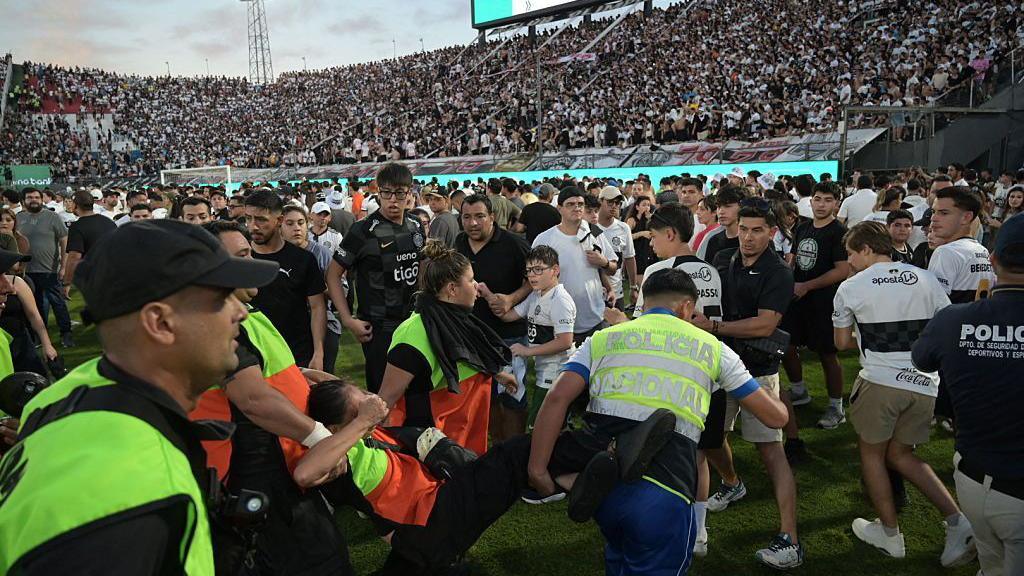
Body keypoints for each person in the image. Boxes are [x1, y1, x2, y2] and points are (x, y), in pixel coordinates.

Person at [0, 219, 277, 575]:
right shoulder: (130, 485)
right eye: (221, 296)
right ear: (160, 323)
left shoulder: (70, 394)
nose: (240, 309)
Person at [529, 268, 789, 575]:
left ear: (642, 300)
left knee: (619, 555)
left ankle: (567, 478)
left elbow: (557, 397)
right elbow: (775, 418)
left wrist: (537, 469)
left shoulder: (602, 338)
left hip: (605, 487)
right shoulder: (714, 348)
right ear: (687, 308)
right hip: (667, 489)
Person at [195, 220, 352, 576]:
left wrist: (306, 377)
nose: (252, 264)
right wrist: (321, 438)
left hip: (276, 458)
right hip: (256, 467)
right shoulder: (214, 323)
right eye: (241, 257)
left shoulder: (244, 314)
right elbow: (252, 398)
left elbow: (269, 376)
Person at [834, 222, 976, 566]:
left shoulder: (851, 286)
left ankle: (889, 533)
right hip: (925, 383)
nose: (850, 261)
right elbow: (945, 327)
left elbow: (840, 344)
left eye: (852, 253)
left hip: (881, 382)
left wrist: (870, 339)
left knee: (872, 455)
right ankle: (958, 522)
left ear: (867, 249)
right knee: (901, 455)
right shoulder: (925, 278)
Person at [691, 201, 804, 569]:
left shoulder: (778, 271)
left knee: (771, 451)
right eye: (745, 229)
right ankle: (732, 482)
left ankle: (791, 539)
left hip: (757, 370)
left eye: (758, 230)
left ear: (771, 232)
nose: (749, 237)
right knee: (709, 440)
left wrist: (716, 329)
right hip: (719, 367)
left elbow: (765, 325)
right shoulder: (723, 257)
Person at [912, 214, 1024, 576]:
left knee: (991, 562)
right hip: (1013, 488)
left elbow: (922, 358)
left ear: (993, 260)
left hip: (972, 480)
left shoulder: (952, 320)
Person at [379, 241, 513, 454]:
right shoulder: (412, 334)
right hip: (434, 449)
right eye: (471, 280)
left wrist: (497, 374)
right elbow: (386, 399)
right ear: (452, 289)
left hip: (462, 440)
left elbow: (467, 356)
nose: (477, 285)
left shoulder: (455, 317)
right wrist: (380, 448)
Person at [329, 163, 425, 393]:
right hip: (379, 329)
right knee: (383, 399)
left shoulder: (416, 225)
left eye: (400, 193)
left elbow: (421, 267)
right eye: (386, 193)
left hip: (412, 322)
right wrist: (348, 319)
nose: (393, 200)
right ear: (378, 192)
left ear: (409, 193)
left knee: (416, 393)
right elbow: (333, 275)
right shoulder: (362, 230)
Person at [454, 194, 531, 441]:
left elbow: (534, 278)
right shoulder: (459, 243)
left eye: (479, 217)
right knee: (484, 399)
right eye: (467, 217)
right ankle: (497, 450)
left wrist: (511, 299)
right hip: (471, 336)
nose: (473, 223)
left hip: (509, 336)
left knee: (512, 398)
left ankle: (515, 451)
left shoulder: (514, 244)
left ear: (493, 218)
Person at [782, 182, 850, 430]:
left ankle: (836, 406)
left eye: (827, 200)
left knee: (827, 354)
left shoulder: (839, 232)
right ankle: (799, 390)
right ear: (810, 201)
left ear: (836, 203)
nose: (821, 204)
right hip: (798, 298)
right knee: (786, 344)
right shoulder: (803, 227)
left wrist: (808, 286)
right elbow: (793, 259)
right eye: (817, 199)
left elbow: (842, 270)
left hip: (824, 301)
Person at [245, 190, 328, 370]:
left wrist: (318, 352)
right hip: (251, 354)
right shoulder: (239, 258)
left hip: (296, 352)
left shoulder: (303, 259)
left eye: (261, 220)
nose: (253, 226)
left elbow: (317, 307)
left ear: (279, 220)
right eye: (248, 218)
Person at [496, 245, 576, 426]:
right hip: (543, 371)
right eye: (529, 270)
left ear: (555, 270)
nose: (532, 275)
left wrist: (527, 351)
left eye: (538, 270)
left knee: (540, 427)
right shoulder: (536, 295)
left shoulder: (560, 300)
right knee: (547, 427)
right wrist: (484, 293)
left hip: (556, 372)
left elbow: (565, 341)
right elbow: (508, 316)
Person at [533, 187, 618, 344]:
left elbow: (613, 268)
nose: (577, 208)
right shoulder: (544, 239)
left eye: (580, 204)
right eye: (570, 204)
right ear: (559, 208)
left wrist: (604, 262)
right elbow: (533, 278)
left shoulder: (595, 233)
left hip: (595, 317)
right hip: (559, 320)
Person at [280, 205, 345, 374]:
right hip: (287, 327)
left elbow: (342, 292)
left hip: (324, 324)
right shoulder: (276, 255)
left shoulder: (320, 253)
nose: (296, 228)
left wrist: (314, 287)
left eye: (300, 223)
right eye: (290, 223)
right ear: (279, 225)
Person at [16, 188, 72, 349]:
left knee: (57, 302)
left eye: (36, 197)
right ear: (24, 200)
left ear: (41, 199)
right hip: (26, 270)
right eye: (29, 197)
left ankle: (66, 333)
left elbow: (64, 240)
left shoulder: (52, 216)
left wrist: (63, 265)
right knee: (35, 305)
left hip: (49, 269)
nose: (33, 200)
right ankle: (39, 336)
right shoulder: (19, 218)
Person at [61, 189, 116, 299]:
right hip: (113, 273)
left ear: (75, 205)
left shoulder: (77, 227)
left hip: (93, 277)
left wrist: (67, 282)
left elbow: (74, 257)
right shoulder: (108, 222)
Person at [595, 186, 637, 310]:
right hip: (593, 292)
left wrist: (633, 287)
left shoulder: (623, 228)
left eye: (617, 203)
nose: (614, 206)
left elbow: (629, 258)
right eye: (610, 202)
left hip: (616, 291)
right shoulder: (589, 227)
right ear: (600, 201)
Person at [697, 185, 746, 265]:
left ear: (741, 207)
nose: (721, 211)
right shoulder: (713, 239)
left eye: (727, 206)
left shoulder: (749, 240)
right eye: (718, 207)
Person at [625, 194, 656, 273]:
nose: (647, 207)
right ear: (637, 207)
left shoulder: (649, 219)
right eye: (644, 205)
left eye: (648, 205)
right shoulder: (632, 220)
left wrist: (651, 220)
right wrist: (641, 234)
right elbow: (626, 237)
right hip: (637, 252)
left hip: (648, 251)